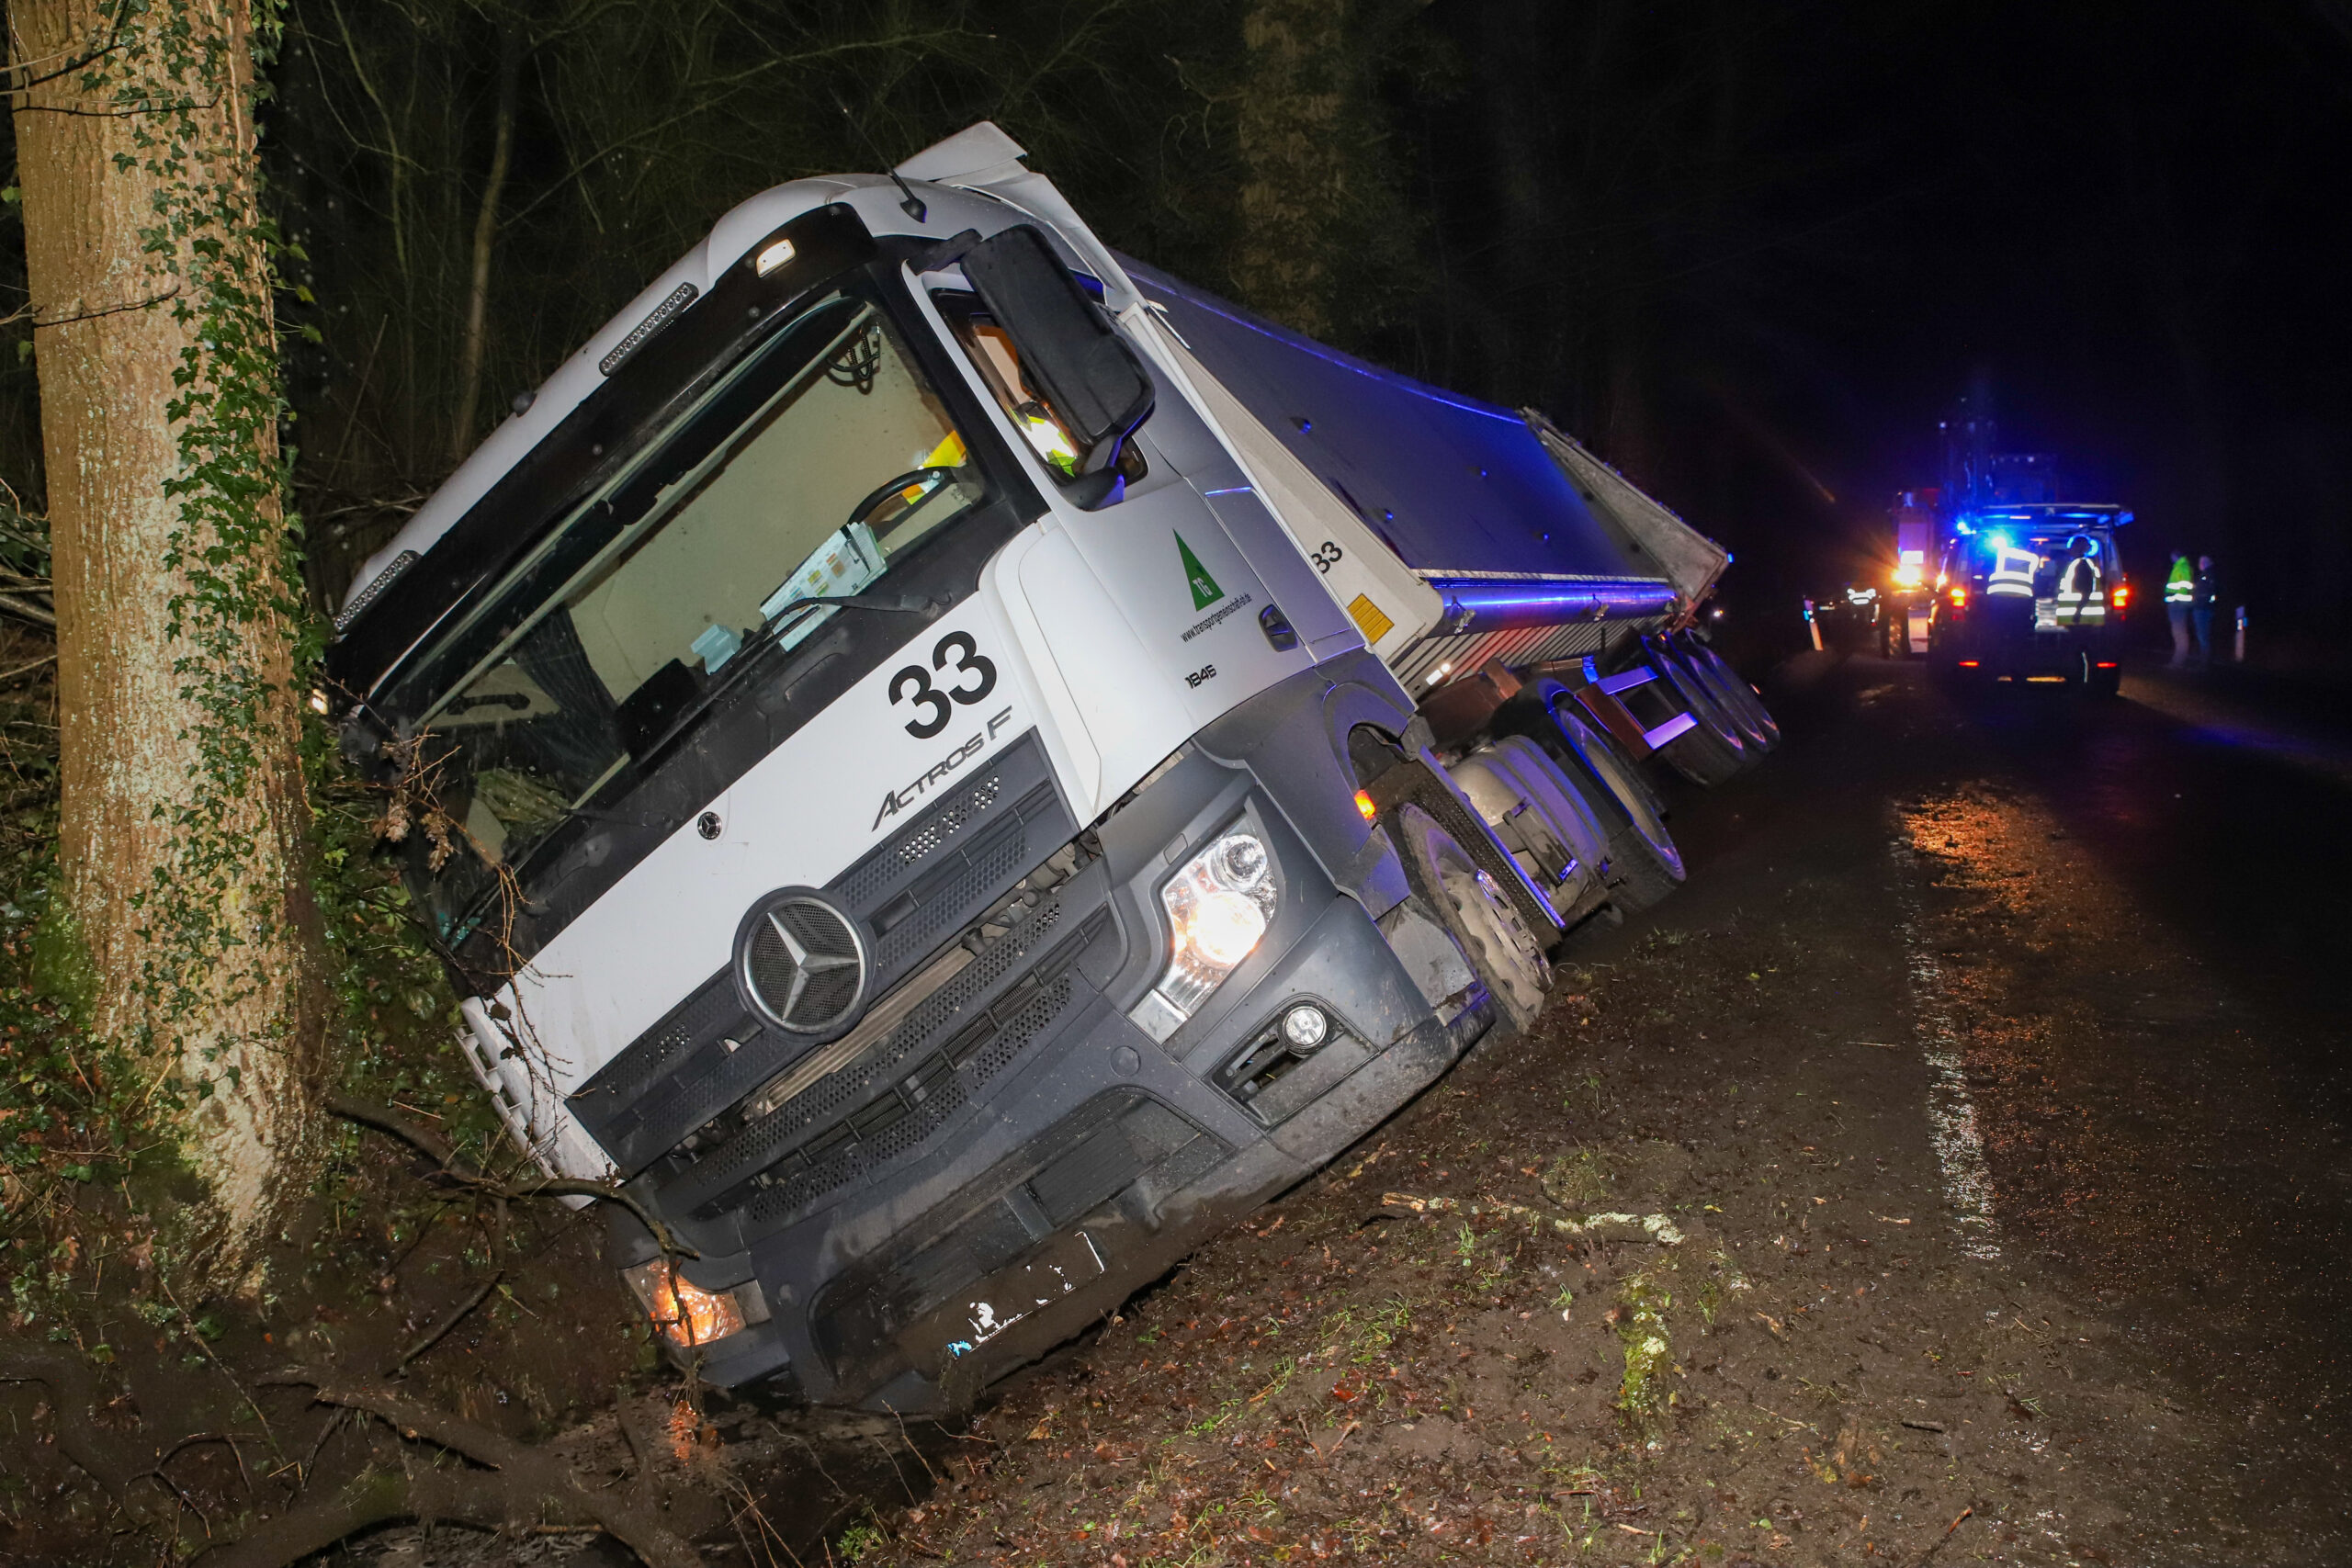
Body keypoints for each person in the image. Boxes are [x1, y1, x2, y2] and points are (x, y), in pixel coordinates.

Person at [2165, 549, 2194, 666]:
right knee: (2178, 632)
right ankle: (2177, 660)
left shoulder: (2182, 567)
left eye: (2172, 556)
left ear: (2175, 556)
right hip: (2177, 604)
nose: (2171, 559)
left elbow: (2184, 587)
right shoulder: (2180, 567)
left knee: (2179, 632)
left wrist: (2175, 599)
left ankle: (2178, 661)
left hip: (2178, 605)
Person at [2191, 554, 2218, 664]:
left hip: (2203, 610)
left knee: (2203, 636)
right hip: (2202, 609)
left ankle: (2204, 663)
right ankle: (2204, 661)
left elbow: (2206, 593)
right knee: (2203, 636)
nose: (2200, 564)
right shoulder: (2206, 574)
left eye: (2202, 562)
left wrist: (2198, 601)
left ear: (2206, 563)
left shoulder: (2208, 575)